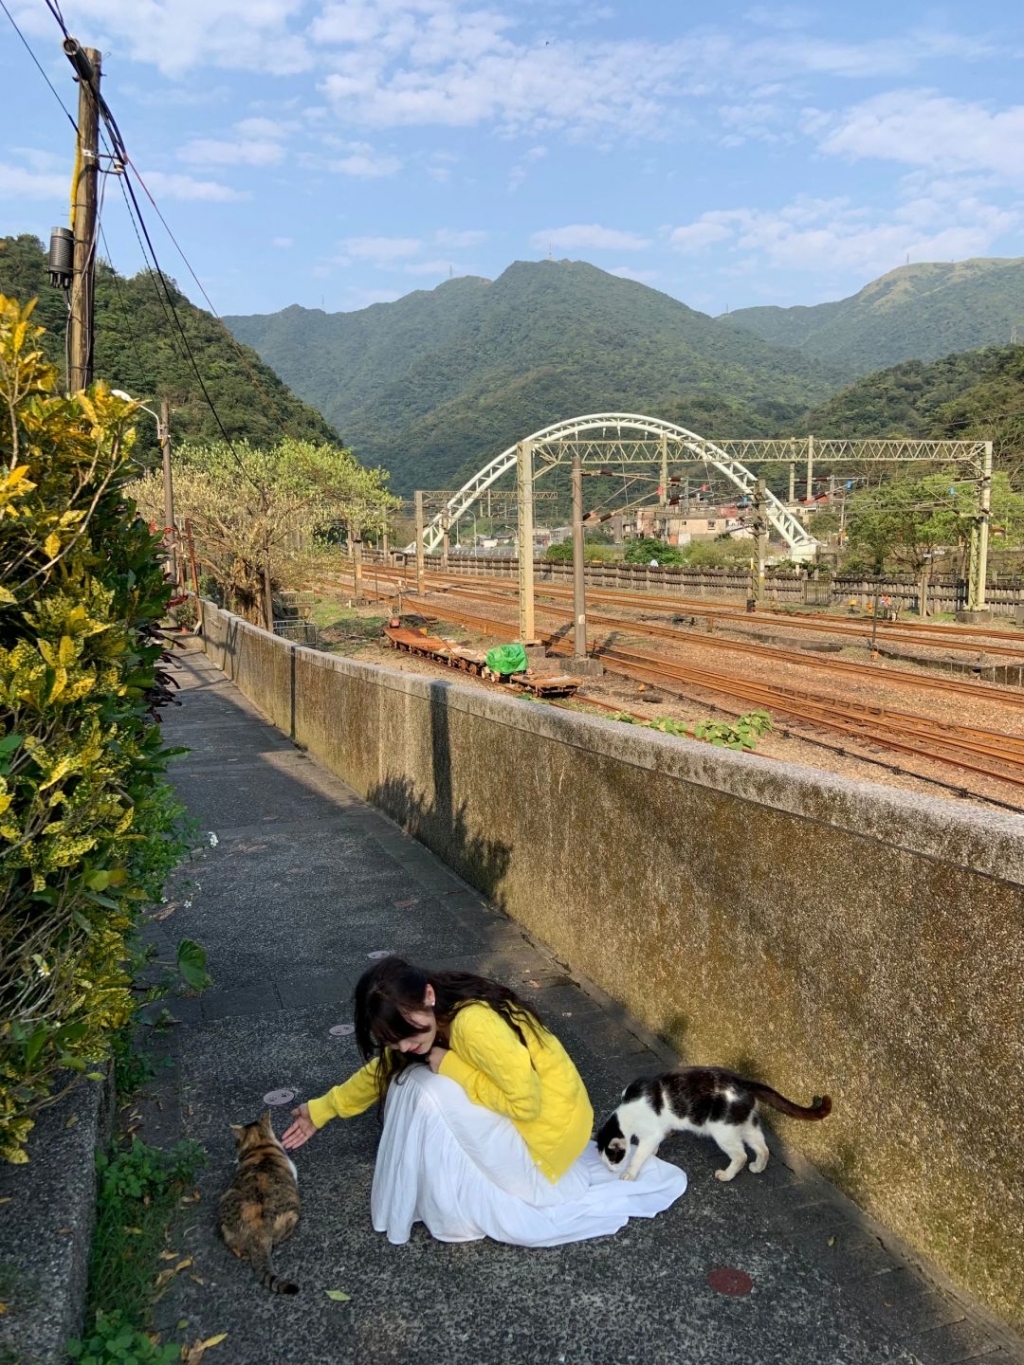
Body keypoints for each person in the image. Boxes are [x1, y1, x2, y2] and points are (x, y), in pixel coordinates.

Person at [282, 956, 687, 1246]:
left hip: (543, 1147)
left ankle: (452, 1207)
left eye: (410, 1032)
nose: (407, 1044)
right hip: (540, 1125)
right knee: (411, 1074)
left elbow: (525, 1103)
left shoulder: (474, 1024)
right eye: (394, 1039)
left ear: (428, 994)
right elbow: (383, 1070)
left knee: (428, 1087)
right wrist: (322, 1109)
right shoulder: (430, 1014)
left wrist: (448, 1065)